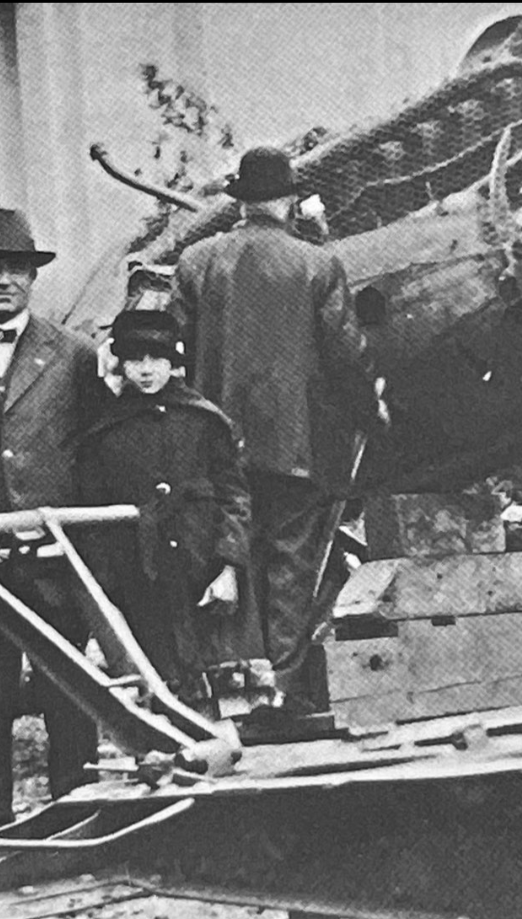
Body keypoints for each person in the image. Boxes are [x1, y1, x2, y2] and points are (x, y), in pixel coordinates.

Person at [168, 146, 380, 713]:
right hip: (295, 447)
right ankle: (281, 689)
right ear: (288, 201)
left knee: (228, 561)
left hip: (211, 448)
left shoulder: (195, 261)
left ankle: (233, 694)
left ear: (239, 202)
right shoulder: (317, 264)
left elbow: (171, 350)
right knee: (289, 565)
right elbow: (347, 355)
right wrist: (367, 411)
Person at [0, 204, 103, 831]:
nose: (3, 280)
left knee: (70, 701)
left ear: (33, 279)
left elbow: (95, 450)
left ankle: (79, 822)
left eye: (16, 269)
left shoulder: (74, 356)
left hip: (59, 562)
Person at [74, 311, 266, 710]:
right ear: (120, 364)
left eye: (156, 358)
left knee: (223, 687)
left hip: (204, 570)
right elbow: (93, 521)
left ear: (173, 360)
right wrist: (106, 599)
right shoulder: (102, 433)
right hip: (142, 578)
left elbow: (235, 497)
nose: (146, 370)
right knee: (158, 684)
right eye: (135, 359)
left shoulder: (204, 420)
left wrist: (229, 567)